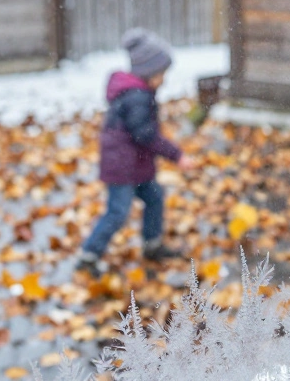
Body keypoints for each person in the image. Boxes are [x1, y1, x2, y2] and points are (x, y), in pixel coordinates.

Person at [76, 28, 199, 277]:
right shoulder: (137, 96)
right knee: (117, 212)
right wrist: (177, 155)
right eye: (162, 74)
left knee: (154, 196)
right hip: (122, 167)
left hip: (134, 164)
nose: (164, 79)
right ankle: (88, 256)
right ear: (149, 72)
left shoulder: (139, 92)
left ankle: (152, 244)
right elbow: (145, 135)